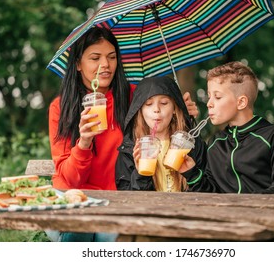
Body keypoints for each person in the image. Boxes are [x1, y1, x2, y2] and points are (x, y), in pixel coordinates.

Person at [48, 27, 199, 241]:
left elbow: (166, 121)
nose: (105, 65)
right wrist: (83, 143)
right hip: (74, 196)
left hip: (118, 199)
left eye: (111, 57)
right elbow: (71, 181)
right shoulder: (61, 108)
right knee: (77, 229)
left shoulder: (135, 96)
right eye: (95, 58)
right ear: (78, 64)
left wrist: (181, 112)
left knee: (120, 241)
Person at [180, 61, 274, 194]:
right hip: (222, 214)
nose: (209, 104)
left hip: (264, 212)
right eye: (209, 96)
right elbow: (212, 193)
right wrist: (192, 173)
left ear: (241, 102)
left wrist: (250, 203)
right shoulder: (215, 143)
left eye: (217, 97)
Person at [115, 76, 206, 192]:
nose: (156, 109)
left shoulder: (191, 145)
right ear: (140, 110)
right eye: (148, 104)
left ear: (174, 108)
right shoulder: (131, 150)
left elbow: (210, 191)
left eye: (164, 103)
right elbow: (127, 201)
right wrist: (141, 175)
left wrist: (192, 174)